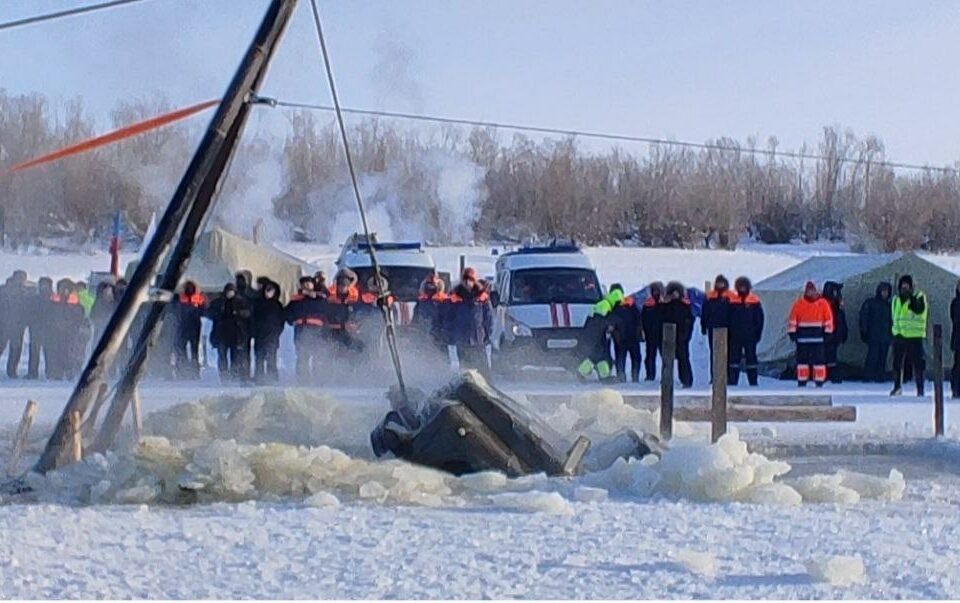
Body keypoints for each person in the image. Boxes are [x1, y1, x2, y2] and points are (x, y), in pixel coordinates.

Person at [446, 267, 493, 377]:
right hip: (461, 339)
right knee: (465, 370)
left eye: (470, 279)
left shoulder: (482, 297)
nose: (468, 282)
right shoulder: (454, 296)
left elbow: (488, 318)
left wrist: (487, 334)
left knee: (483, 370)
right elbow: (449, 317)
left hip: (478, 339)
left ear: (474, 280)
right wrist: (450, 335)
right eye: (465, 279)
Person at [787, 281, 834, 387]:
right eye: (809, 290)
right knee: (802, 363)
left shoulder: (823, 304)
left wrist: (828, 334)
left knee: (819, 363)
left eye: (812, 290)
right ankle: (802, 381)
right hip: (802, 340)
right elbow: (792, 320)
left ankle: (819, 381)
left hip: (818, 339)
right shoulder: (798, 304)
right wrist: (792, 333)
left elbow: (828, 320)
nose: (811, 292)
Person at [891, 274, 927, 396]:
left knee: (918, 365)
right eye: (902, 287)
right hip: (899, 335)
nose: (904, 289)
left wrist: (911, 297)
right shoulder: (896, 299)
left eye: (907, 287)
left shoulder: (919, 297)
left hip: (914, 336)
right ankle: (897, 387)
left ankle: (920, 389)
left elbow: (918, 309)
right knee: (897, 364)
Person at [207, 282, 252, 383]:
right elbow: (209, 312)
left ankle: (234, 374)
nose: (230, 293)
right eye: (228, 291)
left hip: (235, 333)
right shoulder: (218, 302)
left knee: (235, 356)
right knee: (222, 355)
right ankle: (224, 376)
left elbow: (248, 313)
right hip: (221, 333)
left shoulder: (241, 302)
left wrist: (238, 313)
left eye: (231, 291)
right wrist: (218, 314)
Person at [285, 276, 327, 383]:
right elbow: (286, 313)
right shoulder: (296, 300)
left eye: (308, 284)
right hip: (301, 331)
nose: (306, 286)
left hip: (317, 332)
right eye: (304, 284)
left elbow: (327, 313)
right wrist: (291, 320)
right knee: (302, 356)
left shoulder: (320, 298)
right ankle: (302, 381)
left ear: (313, 285)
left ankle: (319, 381)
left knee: (318, 358)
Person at [727, 276, 764, 386]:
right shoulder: (732, 302)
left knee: (751, 360)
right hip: (735, 336)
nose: (742, 289)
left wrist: (758, 334)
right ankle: (733, 381)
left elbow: (759, 320)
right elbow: (727, 318)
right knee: (734, 361)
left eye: (744, 287)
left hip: (750, 336)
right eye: (740, 287)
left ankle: (753, 382)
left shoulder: (754, 301)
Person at [660, 281, 695, 388]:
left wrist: (685, 335)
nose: (675, 295)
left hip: (681, 337)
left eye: (677, 293)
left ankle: (686, 381)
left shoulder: (685, 307)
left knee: (683, 359)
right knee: (667, 359)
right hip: (668, 336)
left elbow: (689, 321)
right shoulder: (664, 307)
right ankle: (666, 380)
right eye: (673, 293)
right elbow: (659, 320)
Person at [859, 282, 893, 382]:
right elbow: (864, 318)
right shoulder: (871, 303)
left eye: (887, 291)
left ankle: (880, 376)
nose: (885, 293)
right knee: (872, 357)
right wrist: (864, 331)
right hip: (873, 336)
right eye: (883, 291)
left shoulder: (889, 306)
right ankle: (868, 376)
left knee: (883, 357)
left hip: (885, 336)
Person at [326, 268, 365, 356]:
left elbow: (360, 314)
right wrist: (343, 326)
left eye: (344, 286)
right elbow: (327, 320)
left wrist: (356, 324)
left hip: (351, 333)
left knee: (361, 348)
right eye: (340, 286)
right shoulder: (330, 300)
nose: (342, 288)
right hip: (334, 333)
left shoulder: (355, 299)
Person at [172, 281, 207, 380]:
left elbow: (204, 309)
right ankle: (181, 372)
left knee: (194, 351)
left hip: (194, 327)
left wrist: (196, 313)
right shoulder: (179, 297)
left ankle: (195, 372)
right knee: (181, 350)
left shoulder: (199, 298)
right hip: (182, 327)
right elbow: (175, 309)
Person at [253, 280, 285, 384]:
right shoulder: (258, 304)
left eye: (271, 290)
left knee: (271, 358)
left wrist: (277, 332)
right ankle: (259, 378)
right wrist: (255, 332)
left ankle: (272, 379)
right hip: (260, 336)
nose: (268, 292)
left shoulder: (278, 305)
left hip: (272, 337)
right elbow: (253, 319)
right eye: (267, 290)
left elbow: (281, 321)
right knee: (259, 358)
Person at [608, 284, 642, 383]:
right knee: (627, 358)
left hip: (626, 336)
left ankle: (631, 376)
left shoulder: (613, 306)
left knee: (625, 357)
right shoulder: (630, 304)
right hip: (625, 336)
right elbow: (638, 319)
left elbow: (638, 319)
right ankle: (626, 376)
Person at [0, 270, 31, 378]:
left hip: (17, 325)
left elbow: (27, 308)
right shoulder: (4, 290)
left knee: (16, 350)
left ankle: (12, 371)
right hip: (4, 324)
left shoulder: (24, 291)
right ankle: (11, 372)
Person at [701, 274, 732, 378]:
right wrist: (703, 325)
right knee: (714, 353)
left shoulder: (730, 296)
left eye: (722, 283)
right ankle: (714, 376)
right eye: (718, 283)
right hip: (712, 327)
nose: (720, 285)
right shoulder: (710, 296)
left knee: (726, 353)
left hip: (726, 328)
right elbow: (704, 312)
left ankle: (725, 376)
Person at [577, 297, 615, 381]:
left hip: (593, 341)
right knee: (595, 357)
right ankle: (582, 372)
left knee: (598, 358)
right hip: (597, 342)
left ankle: (603, 376)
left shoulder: (593, 317)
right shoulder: (602, 320)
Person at [412, 272, 449, 351]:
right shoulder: (421, 303)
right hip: (424, 339)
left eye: (434, 285)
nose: (431, 287)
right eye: (429, 284)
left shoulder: (445, 302)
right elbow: (415, 321)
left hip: (439, 339)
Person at [27, 277, 55, 379]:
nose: (44, 287)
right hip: (36, 329)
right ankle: (32, 373)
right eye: (42, 284)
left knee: (49, 352)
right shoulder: (34, 299)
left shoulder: (54, 299)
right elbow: (29, 313)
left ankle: (50, 372)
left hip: (49, 329)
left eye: (46, 285)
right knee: (34, 352)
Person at [822, 281, 848, 383]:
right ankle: (825, 375)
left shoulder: (837, 305)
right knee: (825, 356)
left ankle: (832, 374)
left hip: (835, 335)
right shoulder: (823, 304)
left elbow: (841, 320)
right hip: (825, 336)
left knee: (832, 357)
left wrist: (843, 333)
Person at [640, 281, 665, 381]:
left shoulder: (665, 305)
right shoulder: (647, 305)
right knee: (650, 356)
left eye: (657, 291)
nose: (655, 293)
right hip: (650, 334)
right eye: (654, 291)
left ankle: (665, 375)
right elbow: (642, 320)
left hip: (663, 335)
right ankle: (650, 375)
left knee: (665, 357)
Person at [951, 281, 960, 398]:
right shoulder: (955, 302)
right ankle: (956, 389)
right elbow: (955, 318)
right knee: (958, 366)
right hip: (958, 339)